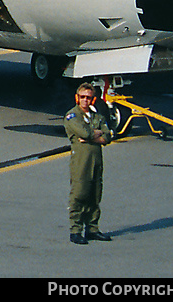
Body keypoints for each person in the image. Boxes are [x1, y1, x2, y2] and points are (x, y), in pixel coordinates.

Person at [64, 82, 113, 244]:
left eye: (89, 98)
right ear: (77, 98)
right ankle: (76, 230)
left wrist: (91, 136)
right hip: (81, 161)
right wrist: (93, 134)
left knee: (95, 194)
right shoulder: (72, 116)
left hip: (96, 160)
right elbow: (83, 131)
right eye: (83, 97)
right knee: (79, 194)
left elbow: (107, 136)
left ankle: (92, 228)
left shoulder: (96, 116)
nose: (85, 100)